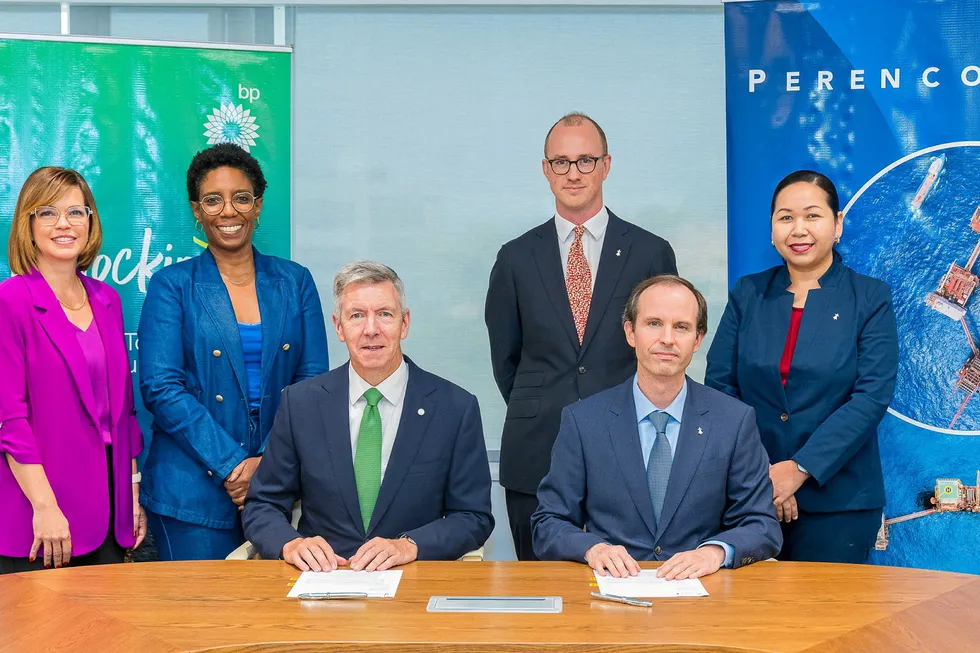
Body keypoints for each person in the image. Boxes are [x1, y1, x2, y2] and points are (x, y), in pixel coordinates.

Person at [485, 112, 678, 560]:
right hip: (537, 453)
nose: (573, 173)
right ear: (545, 169)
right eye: (561, 162)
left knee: (628, 593)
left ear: (606, 165)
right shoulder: (515, 258)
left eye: (586, 160)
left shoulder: (650, 252)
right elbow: (506, 361)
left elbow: (662, 350)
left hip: (630, 449)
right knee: (545, 598)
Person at [138, 143, 329, 560]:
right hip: (190, 493)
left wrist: (266, 465)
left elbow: (311, 384)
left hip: (278, 489)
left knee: (270, 621)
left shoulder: (295, 282)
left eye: (241, 198)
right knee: (199, 619)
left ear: (257, 206)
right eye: (213, 200)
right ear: (196, 209)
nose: (229, 211)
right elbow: (160, 387)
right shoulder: (172, 285)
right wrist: (232, 465)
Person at [243, 261, 494, 570]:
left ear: (404, 323)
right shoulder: (301, 404)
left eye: (385, 314)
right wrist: (291, 543)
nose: (371, 329)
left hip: (412, 583)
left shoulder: (454, 407)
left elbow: (473, 516)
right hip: (321, 583)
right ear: (338, 327)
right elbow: (263, 505)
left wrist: (409, 546)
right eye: (357, 316)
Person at [705, 170, 898, 564]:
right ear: (773, 229)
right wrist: (765, 478)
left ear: (837, 224)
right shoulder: (748, 293)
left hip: (839, 502)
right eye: (785, 217)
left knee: (831, 623)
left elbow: (871, 397)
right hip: (749, 498)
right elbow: (720, 387)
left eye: (812, 216)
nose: (799, 229)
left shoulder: (870, 297)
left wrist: (799, 470)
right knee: (752, 621)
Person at [532, 275, 780, 578]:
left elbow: (763, 525)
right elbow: (548, 523)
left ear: (698, 339)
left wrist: (715, 552)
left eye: (682, 327)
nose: (667, 338)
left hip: (704, 597)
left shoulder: (734, 420)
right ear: (630, 332)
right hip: (611, 595)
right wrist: (593, 548)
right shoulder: (584, 420)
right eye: (653, 324)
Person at [0, 166, 146, 573]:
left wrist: (130, 496)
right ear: (28, 225)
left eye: (76, 212)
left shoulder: (107, 300)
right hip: (39, 519)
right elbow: (10, 421)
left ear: (90, 222)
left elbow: (124, 413)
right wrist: (45, 507)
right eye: (47, 212)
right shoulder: (10, 301)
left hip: (110, 515)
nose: (63, 223)